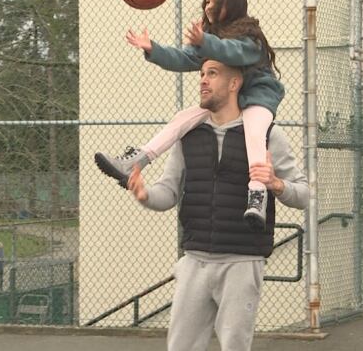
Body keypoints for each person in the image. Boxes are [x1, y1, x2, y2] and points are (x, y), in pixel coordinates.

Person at [126, 59, 309, 351]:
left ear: (234, 83)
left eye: (212, 74)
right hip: (194, 260)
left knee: (235, 346)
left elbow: (304, 194)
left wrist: (276, 184)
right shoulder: (187, 135)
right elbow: (169, 191)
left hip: (241, 261)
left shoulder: (267, 134)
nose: (202, 80)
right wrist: (145, 195)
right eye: (201, 73)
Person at [95, 0, 284, 230]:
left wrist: (205, 41)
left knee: (254, 133)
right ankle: (134, 162)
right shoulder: (210, 39)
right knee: (181, 119)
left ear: (232, 4)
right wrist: (153, 49)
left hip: (257, 97)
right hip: (228, 99)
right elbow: (184, 59)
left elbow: (232, 52)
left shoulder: (249, 38)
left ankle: (257, 195)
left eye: (215, 2)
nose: (207, 6)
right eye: (206, 1)